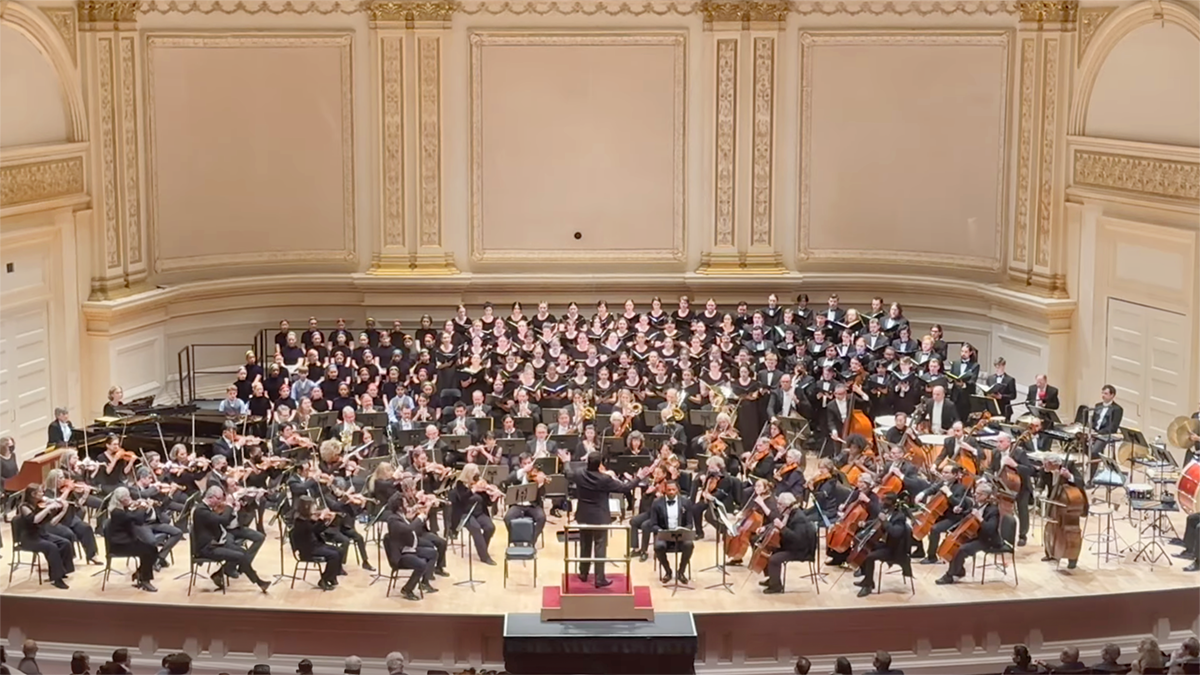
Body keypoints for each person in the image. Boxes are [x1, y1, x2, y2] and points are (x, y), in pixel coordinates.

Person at [559, 449, 643, 588]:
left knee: (585, 544)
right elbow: (625, 487)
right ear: (600, 465)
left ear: (588, 462)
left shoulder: (580, 474)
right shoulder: (605, 479)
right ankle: (599, 578)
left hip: (583, 515)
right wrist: (638, 477)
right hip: (600, 516)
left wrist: (566, 461)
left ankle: (583, 573)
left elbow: (568, 473)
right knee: (600, 546)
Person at [192, 486, 271, 592]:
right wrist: (229, 505)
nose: (220, 502)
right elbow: (223, 521)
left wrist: (235, 510)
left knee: (243, 553)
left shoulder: (205, 509)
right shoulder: (201, 511)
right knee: (240, 556)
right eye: (219, 499)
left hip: (216, 543)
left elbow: (224, 520)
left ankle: (220, 574)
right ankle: (259, 582)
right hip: (207, 548)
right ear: (211, 497)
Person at [935, 483, 1000, 585]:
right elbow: (968, 515)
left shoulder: (993, 510)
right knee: (956, 546)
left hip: (988, 540)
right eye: (975, 493)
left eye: (978, 494)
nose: (975, 495)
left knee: (962, 549)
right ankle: (959, 570)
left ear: (985, 496)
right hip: (975, 535)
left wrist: (980, 518)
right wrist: (960, 511)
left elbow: (990, 530)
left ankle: (949, 575)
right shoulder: (978, 505)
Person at [854, 493, 913, 597]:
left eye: (884, 500)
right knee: (865, 546)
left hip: (894, 550)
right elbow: (877, 521)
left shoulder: (900, 517)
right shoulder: (888, 511)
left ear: (891, 503)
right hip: (887, 544)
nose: (881, 502)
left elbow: (895, 533)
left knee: (870, 557)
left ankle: (868, 586)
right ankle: (867, 579)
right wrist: (865, 524)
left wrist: (885, 521)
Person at [382, 493, 436, 601]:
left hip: (410, 548)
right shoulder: (393, 519)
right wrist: (419, 518)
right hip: (401, 554)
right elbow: (408, 529)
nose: (407, 504)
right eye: (405, 503)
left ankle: (425, 582)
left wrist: (420, 510)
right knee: (421, 564)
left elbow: (408, 524)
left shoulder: (400, 516)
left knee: (433, 553)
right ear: (399, 506)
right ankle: (407, 589)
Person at [761, 492, 818, 594]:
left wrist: (782, 528)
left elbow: (797, 539)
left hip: (801, 550)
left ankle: (776, 587)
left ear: (787, 505)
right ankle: (773, 579)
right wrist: (764, 528)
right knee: (768, 550)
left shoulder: (799, 518)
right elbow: (776, 522)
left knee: (774, 559)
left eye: (780, 504)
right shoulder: (788, 513)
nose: (777, 506)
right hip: (792, 546)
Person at [107, 486, 162, 592]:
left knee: (152, 549)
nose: (130, 499)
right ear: (121, 500)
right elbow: (137, 519)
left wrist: (138, 507)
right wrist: (142, 507)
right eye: (127, 497)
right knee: (148, 551)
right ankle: (145, 580)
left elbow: (134, 518)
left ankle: (140, 573)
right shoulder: (117, 512)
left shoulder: (121, 509)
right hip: (120, 544)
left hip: (127, 540)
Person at [290, 495, 343, 591]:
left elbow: (317, 530)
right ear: (306, 507)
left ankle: (331, 576)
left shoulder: (305, 518)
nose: (314, 509)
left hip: (315, 545)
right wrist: (321, 517)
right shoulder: (300, 521)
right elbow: (313, 529)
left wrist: (329, 520)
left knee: (339, 550)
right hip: (308, 549)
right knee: (334, 555)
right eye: (312, 507)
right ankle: (324, 579)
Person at [648, 481, 695, 584]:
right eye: (669, 490)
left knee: (689, 545)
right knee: (658, 547)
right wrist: (661, 531)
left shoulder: (686, 502)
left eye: (673, 490)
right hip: (664, 534)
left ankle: (681, 572)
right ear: (665, 490)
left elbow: (689, 523)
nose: (671, 492)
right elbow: (653, 524)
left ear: (678, 490)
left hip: (680, 534)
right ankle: (668, 571)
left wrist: (684, 530)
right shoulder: (657, 503)